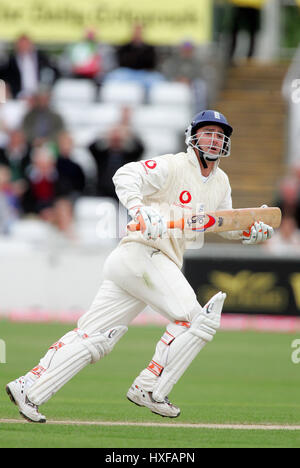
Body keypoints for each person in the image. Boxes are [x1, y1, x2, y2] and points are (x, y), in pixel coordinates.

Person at [6, 109, 274, 423]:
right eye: (207, 132)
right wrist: (139, 209)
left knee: (95, 337)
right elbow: (124, 175)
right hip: (143, 253)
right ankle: (149, 386)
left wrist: (249, 232)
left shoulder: (221, 182)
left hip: (144, 264)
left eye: (219, 134)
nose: (213, 140)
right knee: (195, 321)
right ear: (193, 136)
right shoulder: (174, 165)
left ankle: (29, 385)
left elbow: (224, 223)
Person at [88, 115, 144, 200]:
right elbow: (91, 147)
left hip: (124, 193)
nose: (116, 139)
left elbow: (140, 148)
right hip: (103, 193)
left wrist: (128, 134)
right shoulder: (102, 155)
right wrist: (106, 136)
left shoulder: (129, 155)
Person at [0, 34, 59, 99]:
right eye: (21, 44)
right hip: (18, 96)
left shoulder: (42, 59)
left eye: (25, 44)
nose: (23, 46)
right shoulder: (10, 62)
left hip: (39, 97)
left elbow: (53, 72)